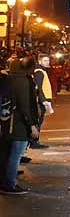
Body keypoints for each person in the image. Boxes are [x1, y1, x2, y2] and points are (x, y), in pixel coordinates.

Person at [1, 58, 41, 195]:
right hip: (18, 125)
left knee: (7, 154)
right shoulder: (22, 81)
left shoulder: (7, 79)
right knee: (16, 155)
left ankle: (5, 181)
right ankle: (9, 184)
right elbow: (24, 106)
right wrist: (32, 126)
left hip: (6, 123)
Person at [30, 59, 53, 150]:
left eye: (48, 60)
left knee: (39, 120)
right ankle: (34, 141)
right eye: (45, 61)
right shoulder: (39, 72)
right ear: (40, 61)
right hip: (41, 101)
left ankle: (34, 141)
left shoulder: (42, 71)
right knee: (38, 121)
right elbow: (38, 88)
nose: (48, 62)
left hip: (42, 100)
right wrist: (43, 100)